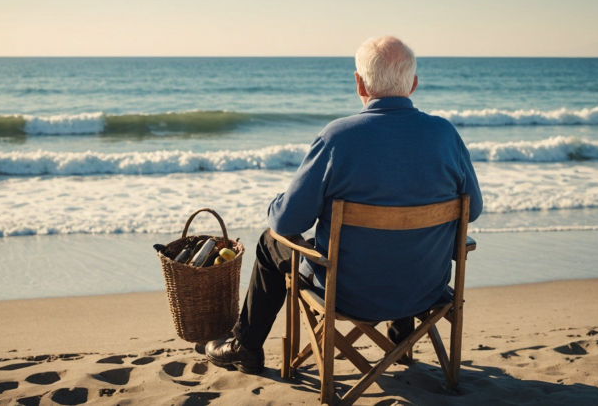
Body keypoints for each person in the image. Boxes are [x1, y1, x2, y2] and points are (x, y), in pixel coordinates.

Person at [206, 36, 483, 374]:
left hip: (349, 296)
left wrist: (277, 205)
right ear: (412, 83)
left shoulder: (339, 137)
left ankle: (245, 347)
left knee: (268, 243)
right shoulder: (446, 135)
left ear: (359, 83)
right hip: (426, 290)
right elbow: (474, 210)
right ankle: (400, 343)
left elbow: (287, 222)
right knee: (408, 243)